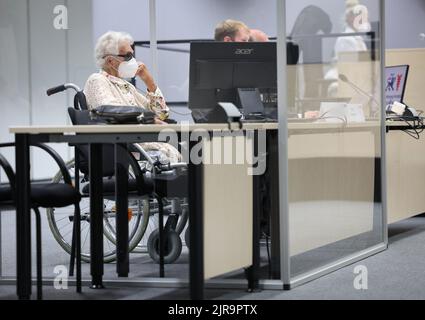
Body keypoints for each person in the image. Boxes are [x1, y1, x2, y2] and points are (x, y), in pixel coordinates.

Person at [84, 31, 180, 163]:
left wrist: (149, 82)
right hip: (123, 148)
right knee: (173, 155)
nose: (133, 60)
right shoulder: (97, 80)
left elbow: (162, 114)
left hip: (138, 144)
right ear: (111, 61)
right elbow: (112, 113)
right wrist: (149, 121)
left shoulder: (126, 85)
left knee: (182, 150)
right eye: (128, 56)